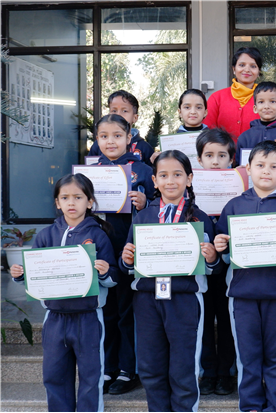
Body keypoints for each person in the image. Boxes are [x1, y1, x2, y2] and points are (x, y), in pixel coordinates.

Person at [214, 141, 276, 412]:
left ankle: (274, 405)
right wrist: (221, 246)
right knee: (247, 356)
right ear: (248, 168)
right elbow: (225, 256)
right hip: (242, 295)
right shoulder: (234, 206)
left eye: (274, 166)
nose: (266, 171)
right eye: (260, 165)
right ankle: (249, 405)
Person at [120, 150, 220, 412]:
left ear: (189, 178)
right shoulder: (142, 217)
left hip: (185, 299)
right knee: (150, 367)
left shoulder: (200, 218)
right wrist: (127, 259)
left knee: (183, 368)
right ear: (154, 181)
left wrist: (211, 258)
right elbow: (127, 264)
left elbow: (215, 267)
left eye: (177, 174)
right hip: (147, 300)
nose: (170, 181)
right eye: (163, 175)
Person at [10, 174, 118, 412]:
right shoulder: (46, 235)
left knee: (91, 375)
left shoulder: (98, 235)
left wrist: (104, 272)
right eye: (65, 197)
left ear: (89, 202)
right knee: (54, 374)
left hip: (89, 317)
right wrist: (20, 275)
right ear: (57, 203)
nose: (72, 202)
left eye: (78, 197)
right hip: (55, 317)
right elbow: (34, 276)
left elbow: (113, 278)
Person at [95, 114, 155, 395]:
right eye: (104, 136)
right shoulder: (89, 173)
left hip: (131, 251)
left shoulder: (142, 170)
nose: (111, 141)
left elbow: (161, 204)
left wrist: (145, 202)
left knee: (127, 312)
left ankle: (128, 370)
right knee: (106, 311)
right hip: (100, 253)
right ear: (97, 140)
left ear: (129, 138)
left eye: (117, 135)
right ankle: (108, 368)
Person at [195, 129, 238, 395]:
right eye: (209, 155)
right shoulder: (189, 191)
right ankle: (208, 371)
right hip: (199, 265)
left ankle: (225, 372)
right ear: (199, 160)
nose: (215, 161)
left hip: (231, 267)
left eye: (222, 155)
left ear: (231, 159)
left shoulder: (240, 192)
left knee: (226, 319)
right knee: (203, 319)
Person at [204, 47, 263, 143]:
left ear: (259, 71)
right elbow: (207, 131)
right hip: (222, 152)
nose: (247, 69)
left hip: (258, 152)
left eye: (253, 66)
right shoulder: (217, 98)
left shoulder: (266, 99)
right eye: (242, 65)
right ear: (234, 69)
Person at [88, 90, 155, 167]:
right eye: (114, 110)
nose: (118, 114)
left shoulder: (144, 147)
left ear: (135, 118)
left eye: (124, 111)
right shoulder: (98, 145)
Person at [236, 82, 276, 165]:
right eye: (261, 102)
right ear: (255, 108)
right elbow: (239, 166)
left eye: (272, 101)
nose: (266, 106)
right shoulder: (245, 137)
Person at [151, 89, 210, 164]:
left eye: (198, 107)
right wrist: (157, 161)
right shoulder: (171, 142)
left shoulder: (213, 138)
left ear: (205, 112)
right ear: (180, 112)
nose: (193, 112)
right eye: (187, 107)